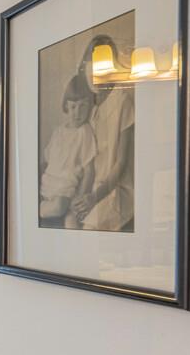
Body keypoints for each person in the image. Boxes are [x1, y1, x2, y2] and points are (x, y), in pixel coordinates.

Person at [71, 35, 136, 231]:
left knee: (89, 231)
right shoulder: (89, 106)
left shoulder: (122, 100)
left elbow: (121, 163)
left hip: (114, 190)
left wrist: (93, 198)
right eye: (89, 71)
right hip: (91, 188)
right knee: (70, 223)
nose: (93, 78)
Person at [40, 74, 97, 228]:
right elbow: (48, 160)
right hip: (49, 183)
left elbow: (89, 170)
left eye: (83, 106)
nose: (77, 112)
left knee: (62, 210)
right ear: (66, 106)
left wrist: (81, 196)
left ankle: (45, 211)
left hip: (66, 189)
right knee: (54, 205)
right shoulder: (58, 131)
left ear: (90, 107)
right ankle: (39, 210)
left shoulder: (85, 132)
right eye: (73, 107)